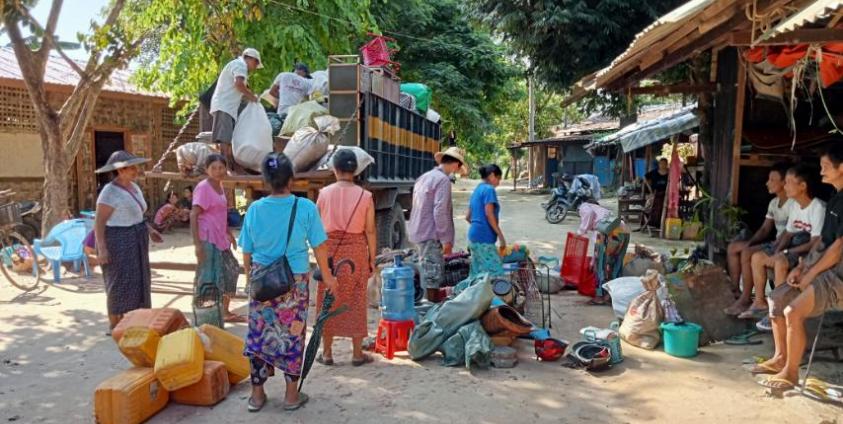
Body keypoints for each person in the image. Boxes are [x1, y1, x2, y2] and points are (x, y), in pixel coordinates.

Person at [239, 152, 337, 412]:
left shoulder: (255, 209)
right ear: (291, 179)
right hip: (295, 283)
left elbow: (246, 252)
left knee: (258, 336)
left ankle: (257, 395)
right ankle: (291, 396)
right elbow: (320, 247)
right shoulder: (305, 208)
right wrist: (328, 278)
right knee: (293, 334)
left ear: (265, 181)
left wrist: (252, 278)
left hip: (261, 283)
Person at [755, 146, 843, 390]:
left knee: (792, 311)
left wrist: (811, 274)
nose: (822, 170)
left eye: (826, 166)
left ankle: (791, 373)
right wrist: (803, 267)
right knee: (776, 300)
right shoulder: (836, 197)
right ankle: (780, 358)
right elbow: (822, 242)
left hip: (838, 275)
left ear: (842, 168)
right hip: (823, 268)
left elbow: (837, 248)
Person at [315, 149, 377, 366]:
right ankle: (357, 354)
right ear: (355, 170)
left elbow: (316, 229)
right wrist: (372, 259)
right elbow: (370, 230)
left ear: (334, 169)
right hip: (357, 251)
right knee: (356, 299)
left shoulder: (323, 194)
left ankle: (327, 353)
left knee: (327, 300)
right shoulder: (366, 196)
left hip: (330, 251)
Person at [744, 164, 825, 320]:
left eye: (788, 182)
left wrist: (783, 253)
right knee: (757, 257)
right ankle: (760, 302)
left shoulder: (818, 207)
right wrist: (775, 251)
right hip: (793, 247)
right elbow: (787, 234)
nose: (785, 186)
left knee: (780, 262)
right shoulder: (795, 205)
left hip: (807, 252)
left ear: (802, 186)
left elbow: (814, 243)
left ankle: (777, 310)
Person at [93, 151, 163, 331]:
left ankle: (135, 320)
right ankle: (115, 324)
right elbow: (99, 222)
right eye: (132, 168)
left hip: (137, 237)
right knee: (119, 282)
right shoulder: (109, 192)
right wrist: (102, 248)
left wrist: (150, 230)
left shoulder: (134, 188)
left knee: (139, 280)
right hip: (117, 240)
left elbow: (138, 214)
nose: (136, 170)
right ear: (120, 171)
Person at [724, 163, 792, 315]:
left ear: (784, 182)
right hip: (774, 242)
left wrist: (752, 247)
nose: (767, 183)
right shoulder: (774, 203)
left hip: (783, 245)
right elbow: (764, 229)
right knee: (734, 248)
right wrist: (750, 243)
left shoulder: (792, 203)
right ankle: (735, 290)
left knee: (748, 253)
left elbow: (789, 232)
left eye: (772, 180)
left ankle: (746, 298)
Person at [408, 147, 468, 301]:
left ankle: (423, 308)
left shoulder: (425, 177)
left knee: (421, 275)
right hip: (430, 235)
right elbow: (440, 212)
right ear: (456, 164)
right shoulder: (443, 180)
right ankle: (430, 316)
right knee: (432, 279)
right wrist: (446, 239)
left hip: (417, 233)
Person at [191, 154, 244, 324]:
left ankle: (224, 311)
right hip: (207, 238)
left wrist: (228, 233)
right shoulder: (203, 188)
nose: (218, 171)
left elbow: (221, 213)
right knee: (208, 277)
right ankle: (204, 317)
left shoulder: (220, 186)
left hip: (220, 237)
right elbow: (194, 214)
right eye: (213, 168)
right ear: (206, 170)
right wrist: (197, 245)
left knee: (231, 269)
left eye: (221, 167)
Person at [210, 48, 262, 174]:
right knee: (224, 140)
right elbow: (239, 84)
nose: (254, 68)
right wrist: (253, 97)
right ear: (250, 58)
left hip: (227, 107)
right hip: (224, 106)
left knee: (227, 140)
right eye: (255, 64)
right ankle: (223, 168)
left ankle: (226, 166)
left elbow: (240, 89)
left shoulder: (238, 66)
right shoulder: (240, 65)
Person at [465, 164, 506, 276]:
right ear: (492, 176)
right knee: (496, 274)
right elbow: (489, 214)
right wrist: (501, 237)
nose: (499, 182)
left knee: (477, 275)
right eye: (498, 179)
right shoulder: (489, 190)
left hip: (473, 237)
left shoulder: (477, 189)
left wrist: (478, 227)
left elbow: (468, 217)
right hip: (484, 240)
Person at [644, 158, 669, 228]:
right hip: (655, 194)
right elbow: (645, 177)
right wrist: (649, 188)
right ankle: (652, 221)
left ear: (667, 165)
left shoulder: (669, 173)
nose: (663, 165)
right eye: (661, 164)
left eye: (664, 164)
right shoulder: (654, 172)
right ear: (659, 164)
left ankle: (661, 222)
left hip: (665, 195)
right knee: (651, 205)